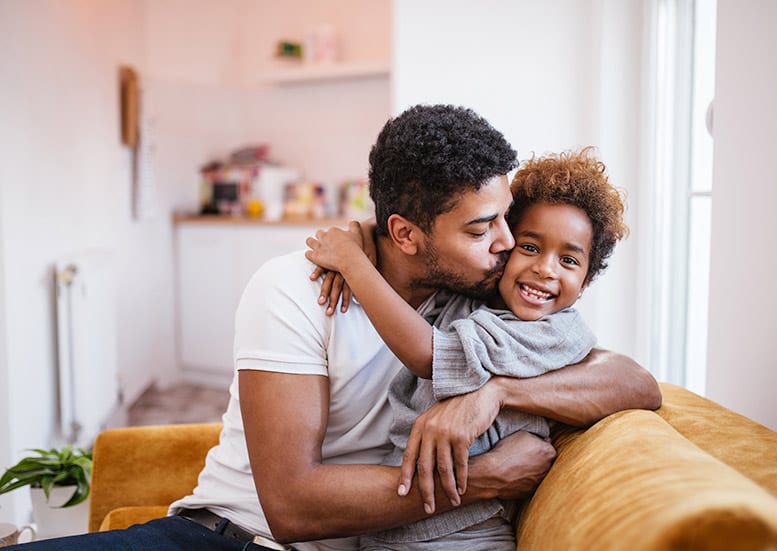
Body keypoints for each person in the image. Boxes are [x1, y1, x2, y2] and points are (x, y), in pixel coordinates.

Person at [12, 105, 660, 551]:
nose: (507, 243)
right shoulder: (297, 288)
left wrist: (499, 393)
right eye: (479, 227)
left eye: (503, 219)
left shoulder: (486, 295)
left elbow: (629, 379)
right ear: (405, 232)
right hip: (230, 537)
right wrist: (486, 477)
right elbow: (292, 506)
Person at [305, 147, 628, 549]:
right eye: (530, 247)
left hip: (466, 534)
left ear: (586, 280)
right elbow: (431, 232)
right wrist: (366, 232)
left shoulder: (554, 333)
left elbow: (429, 355)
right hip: (392, 527)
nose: (546, 269)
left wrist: (354, 263)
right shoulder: (473, 294)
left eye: (568, 260)